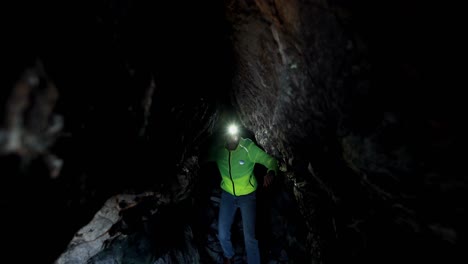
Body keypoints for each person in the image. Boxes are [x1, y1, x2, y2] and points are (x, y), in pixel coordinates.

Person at [205, 123, 279, 264]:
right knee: (222, 234)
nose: (234, 138)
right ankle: (229, 255)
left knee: (250, 238)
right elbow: (203, 156)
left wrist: (270, 172)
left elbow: (270, 161)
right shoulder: (219, 149)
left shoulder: (247, 148)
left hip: (247, 196)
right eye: (230, 134)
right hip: (228, 194)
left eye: (236, 134)